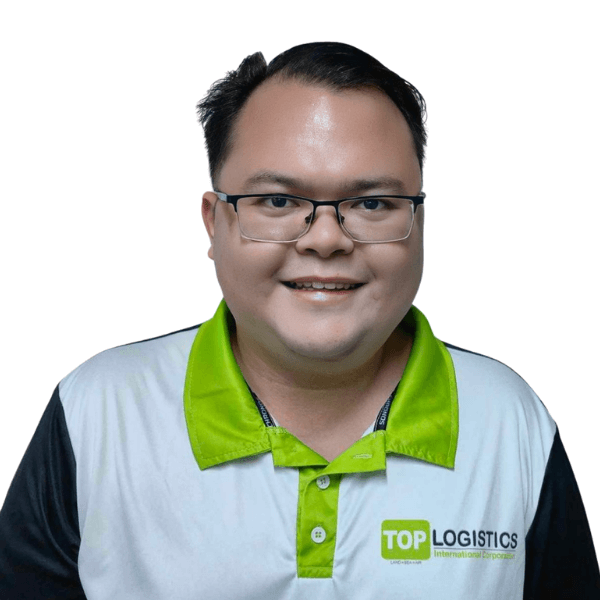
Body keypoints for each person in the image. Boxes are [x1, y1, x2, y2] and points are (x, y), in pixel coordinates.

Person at [0, 41, 598, 599]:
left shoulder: (509, 422)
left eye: (373, 203)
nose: (327, 239)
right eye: (279, 201)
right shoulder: (99, 412)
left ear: (419, 223)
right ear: (214, 222)